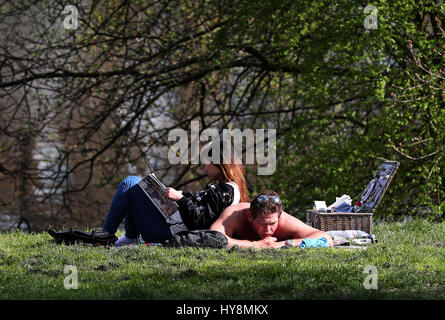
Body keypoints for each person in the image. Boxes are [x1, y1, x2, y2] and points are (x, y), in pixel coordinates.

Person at [101, 141, 250, 246]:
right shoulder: (226, 189)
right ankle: (128, 237)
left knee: (130, 183)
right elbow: (202, 206)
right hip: (167, 225)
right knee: (136, 184)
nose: (205, 168)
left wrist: (180, 198)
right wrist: (182, 194)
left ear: (219, 163)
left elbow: (199, 221)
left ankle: (105, 237)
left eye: (207, 163)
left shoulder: (226, 191)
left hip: (165, 232)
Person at [210, 190, 333, 248]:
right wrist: (256, 245)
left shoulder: (284, 220)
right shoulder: (234, 215)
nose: (268, 229)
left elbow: (326, 238)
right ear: (250, 217)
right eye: (262, 223)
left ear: (279, 217)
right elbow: (213, 238)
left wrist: (285, 244)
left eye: (273, 223)